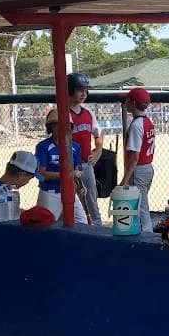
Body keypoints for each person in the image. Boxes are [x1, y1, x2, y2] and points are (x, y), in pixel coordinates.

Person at [35, 108, 88, 224]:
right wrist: (67, 175)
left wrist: (80, 185)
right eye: (56, 126)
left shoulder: (75, 147)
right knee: (45, 225)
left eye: (65, 126)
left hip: (69, 191)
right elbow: (41, 174)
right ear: (51, 128)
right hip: (50, 193)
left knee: (82, 223)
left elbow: (76, 170)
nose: (61, 129)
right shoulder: (43, 146)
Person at [68, 73, 103, 225]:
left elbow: (98, 133)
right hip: (68, 167)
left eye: (86, 90)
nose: (84, 93)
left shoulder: (88, 113)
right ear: (69, 90)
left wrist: (98, 149)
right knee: (71, 203)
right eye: (79, 90)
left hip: (86, 165)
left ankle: (97, 230)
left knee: (91, 203)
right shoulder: (61, 114)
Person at [120, 88, 156, 232]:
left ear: (133, 103)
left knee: (141, 208)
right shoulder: (147, 121)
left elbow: (134, 157)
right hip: (147, 167)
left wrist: (124, 181)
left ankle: (147, 237)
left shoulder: (136, 125)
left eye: (128, 100)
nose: (126, 103)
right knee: (141, 205)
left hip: (139, 169)